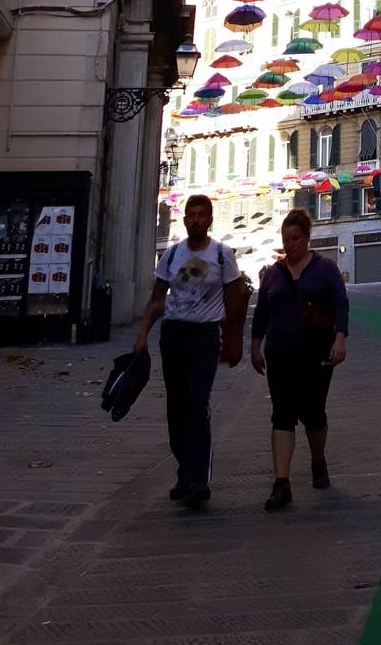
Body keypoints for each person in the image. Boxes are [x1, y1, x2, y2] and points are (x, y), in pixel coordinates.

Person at [133, 193, 244, 508]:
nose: (195, 219)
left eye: (201, 214)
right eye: (190, 215)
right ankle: (185, 472)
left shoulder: (222, 256)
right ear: (184, 220)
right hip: (174, 335)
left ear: (210, 219)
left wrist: (234, 341)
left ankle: (199, 479)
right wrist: (142, 333)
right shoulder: (170, 256)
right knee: (176, 409)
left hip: (204, 337)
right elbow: (157, 299)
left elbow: (235, 303)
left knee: (197, 404)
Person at [250, 208, 348, 511]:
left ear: (307, 238)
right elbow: (262, 312)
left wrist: (340, 339)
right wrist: (255, 346)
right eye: (285, 239)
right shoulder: (273, 275)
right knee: (282, 415)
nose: (290, 244)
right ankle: (282, 484)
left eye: (295, 239)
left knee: (314, 414)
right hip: (279, 355)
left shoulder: (325, 268)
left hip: (316, 354)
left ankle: (318, 461)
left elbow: (340, 303)